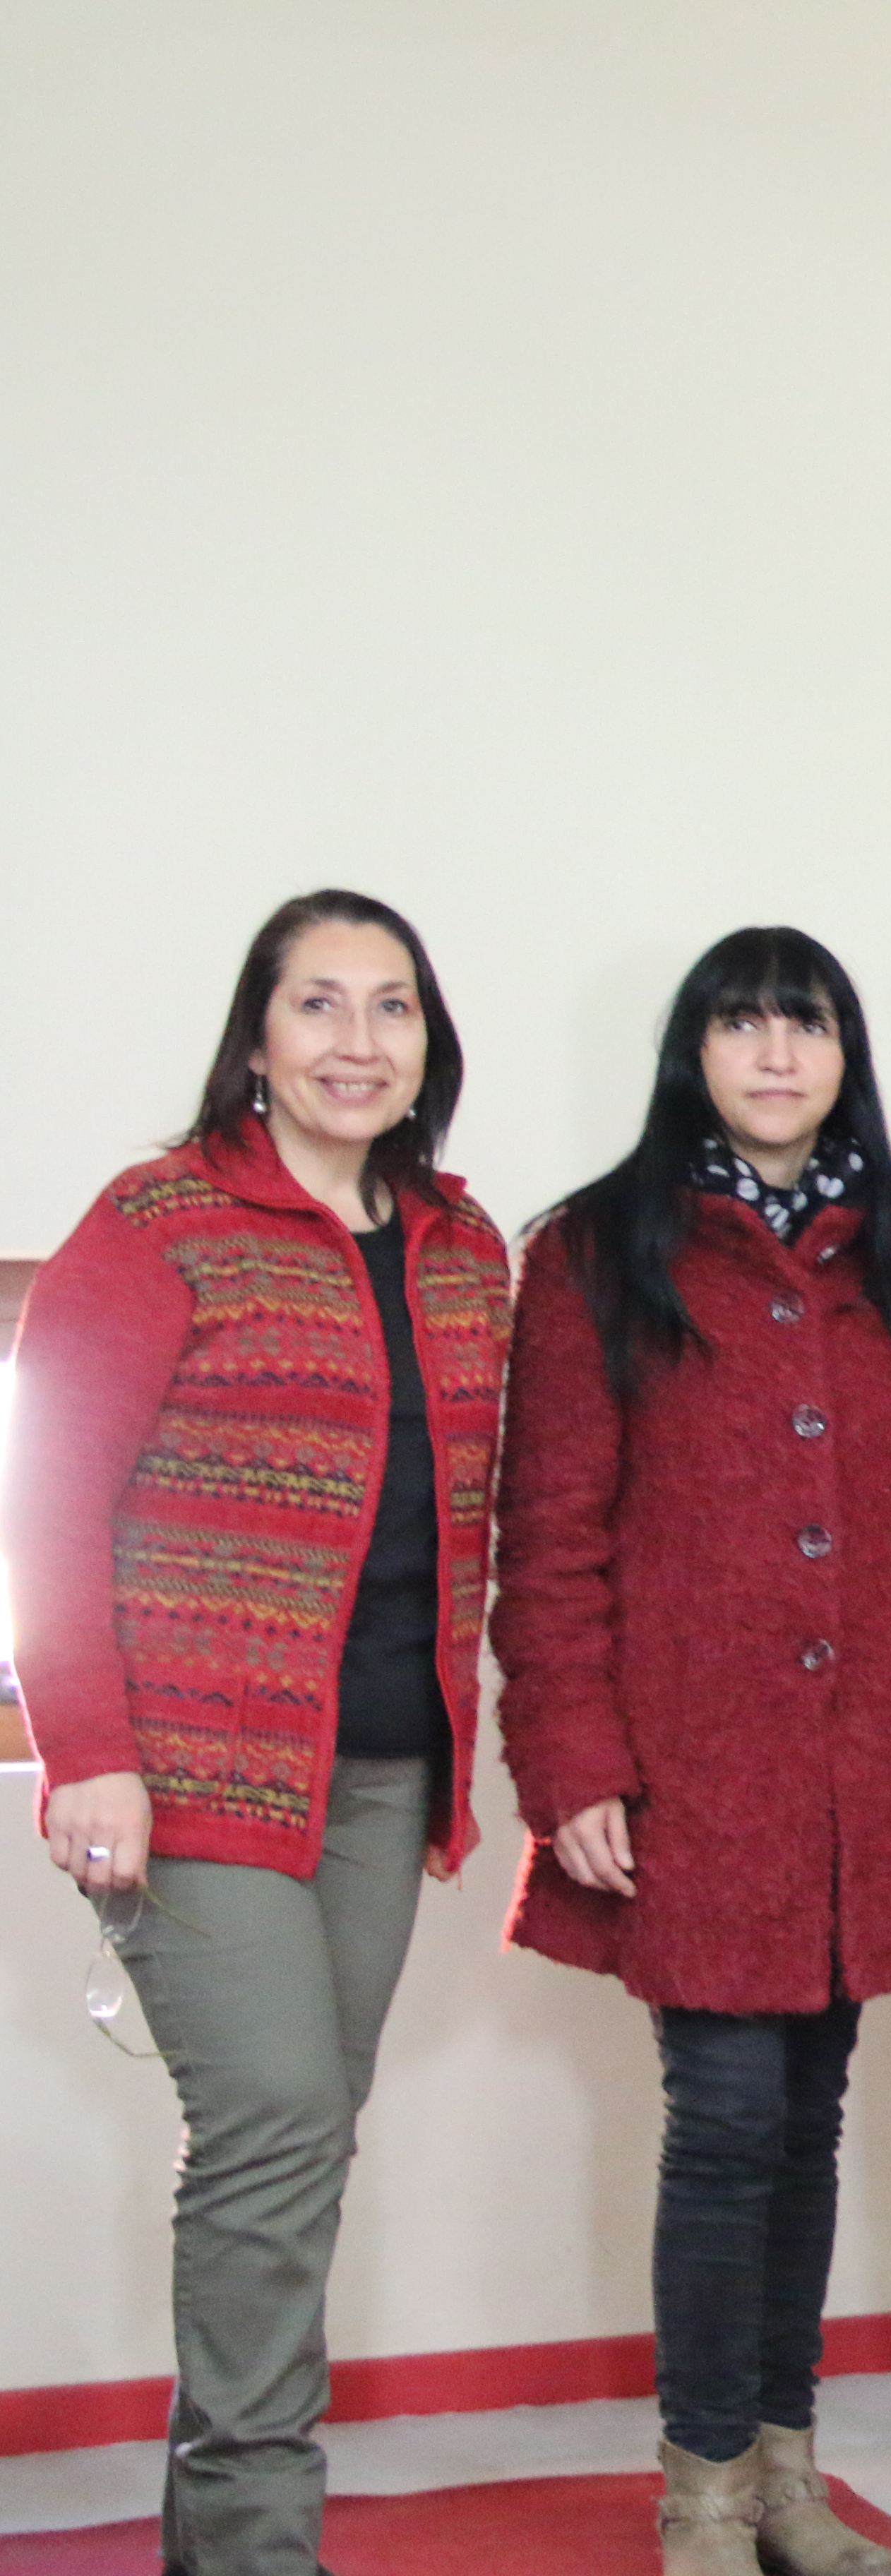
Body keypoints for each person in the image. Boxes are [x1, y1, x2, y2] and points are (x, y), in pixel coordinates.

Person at [494, 929, 891, 2576]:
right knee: (723, 2120)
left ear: (846, 1053)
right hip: (690, 1773)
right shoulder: (593, 1253)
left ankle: (790, 2474)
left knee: (806, 2120)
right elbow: (550, 1531)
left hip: (867, 1776)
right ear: (693, 1052)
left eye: (807, 1026)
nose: (777, 1055)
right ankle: (703, 2490)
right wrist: (572, 1760)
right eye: (742, 1024)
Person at [11, 891, 508, 2576]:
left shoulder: (461, 1246)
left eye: (393, 1008)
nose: (358, 1042)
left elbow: (477, 1511)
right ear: (257, 1036)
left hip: (381, 1778)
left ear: (427, 1043)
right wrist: (85, 1749)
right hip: (185, 1764)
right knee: (281, 2121)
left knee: (291, 2148)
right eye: (320, 1006)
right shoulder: (160, 1220)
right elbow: (51, 1495)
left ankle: (214, 2533)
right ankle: (259, 2542)